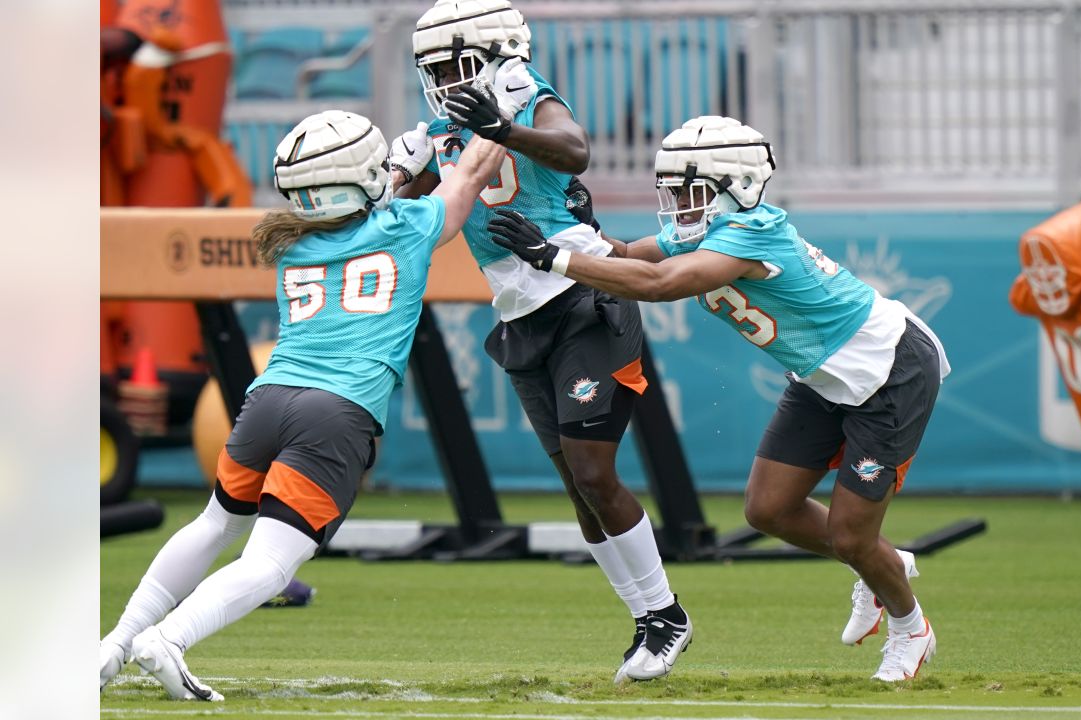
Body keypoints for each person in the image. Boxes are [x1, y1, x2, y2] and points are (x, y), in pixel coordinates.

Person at [488, 115, 952, 683]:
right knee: (768, 509)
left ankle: (910, 629)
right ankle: (883, 564)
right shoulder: (708, 226)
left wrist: (553, 258)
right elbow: (633, 252)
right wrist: (580, 232)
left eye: (691, 189)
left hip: (887, 370)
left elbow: (659, 285)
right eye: (675, 190)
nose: (679, 202)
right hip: (821, 377)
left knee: (851, 535)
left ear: (738, 185)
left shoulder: (751, 232)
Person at [99, 109, 506, 700]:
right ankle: (170, 638)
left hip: (266, 398)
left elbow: (355, 204)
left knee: (215, 524)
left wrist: (395, 170)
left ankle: (115, 640)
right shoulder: (407, 226)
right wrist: (497, 115)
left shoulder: (294, 242)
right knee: (273, 563)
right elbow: (469, 176)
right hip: (334, 413)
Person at [395, 0, 692, 683]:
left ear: (497, 51)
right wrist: (386, 178)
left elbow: (576, 149)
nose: (442, 77)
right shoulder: (440, 132)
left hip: (583, 294)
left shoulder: (527, 96)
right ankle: (647, 619)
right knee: (578, 488)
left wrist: (503, 128)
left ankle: (667, 617)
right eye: (432, 65)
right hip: (521, 315)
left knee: (594, 472)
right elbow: (420, 218)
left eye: (453, 61)